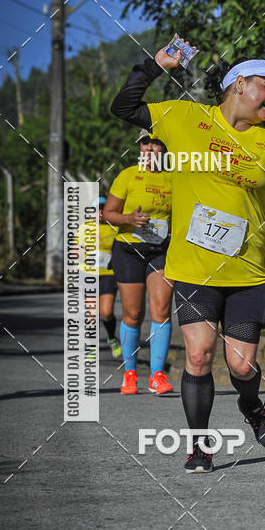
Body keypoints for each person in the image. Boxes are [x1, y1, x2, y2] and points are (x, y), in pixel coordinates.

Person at [110, 46, 265, 473]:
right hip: (192, 270)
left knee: (241, 366)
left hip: (245, 273)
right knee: (199, 355)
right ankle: (199, 446)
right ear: (239, 85)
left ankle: (253, 406)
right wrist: (156, 65)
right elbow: (124, 106)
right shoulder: (185, 118)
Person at [103, 130, 174, 395]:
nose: (150, 148)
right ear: (140, 146)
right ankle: (130, 374)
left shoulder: (174, 178)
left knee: (162, 309)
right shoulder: (127, 175)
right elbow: (108, 214)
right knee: (133, 314)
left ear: (164, 150)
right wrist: (128, 220)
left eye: (157, 143)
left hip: (161, 251)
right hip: (129, 250)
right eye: (146, 142)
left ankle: (157, 376)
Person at [76, 196, 122, 357]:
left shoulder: (114, 229)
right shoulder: (84, 228)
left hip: (108, 274)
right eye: (97, 209)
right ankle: (90, 346)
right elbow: (74, 251)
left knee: (106, 311)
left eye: (104, 209)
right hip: (88, 274)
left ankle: (111, 337)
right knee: (92, 313)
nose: (100, 212)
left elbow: (121, 252)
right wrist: (80, 252)